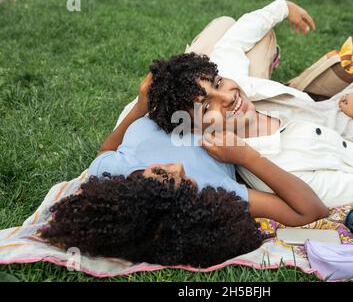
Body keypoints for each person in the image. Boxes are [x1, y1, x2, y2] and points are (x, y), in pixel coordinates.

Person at [147, 0, 353, 208]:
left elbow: (234, 40)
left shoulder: (240, 92)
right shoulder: (273, 169)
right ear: (197, 129)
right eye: (207, 106)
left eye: (216, 84)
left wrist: (282, 7)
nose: (228, 97)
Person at [38, 71, 329, 267]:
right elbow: (310, 211)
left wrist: (141, 105)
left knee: (222, 31)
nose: (177, 167)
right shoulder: (211, 193)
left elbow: (105, 151)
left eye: (161, 174)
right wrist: (247, 158)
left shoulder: (113, 169)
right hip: (232, 119)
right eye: (182, 183)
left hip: (190, 97)